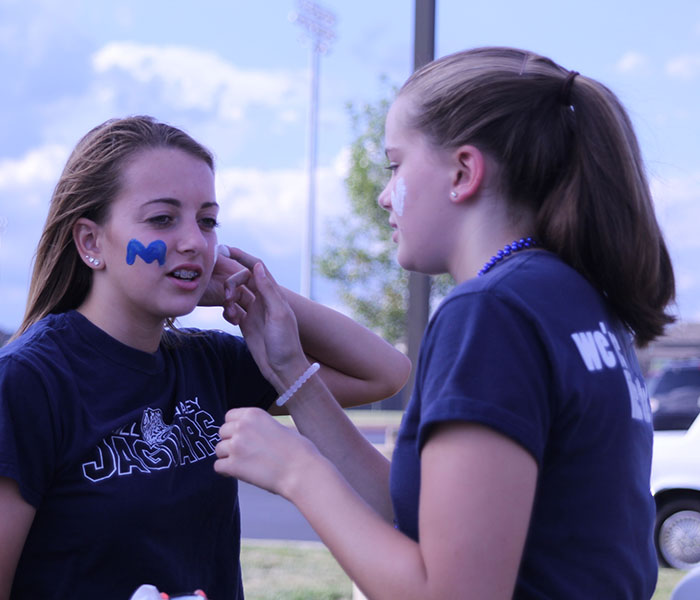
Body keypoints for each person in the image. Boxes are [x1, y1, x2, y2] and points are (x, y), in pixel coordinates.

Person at [212, 46, 676, 599]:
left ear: (463, 172)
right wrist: (292, 372)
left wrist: (297, 473)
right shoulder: (575, 299)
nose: (385, 195)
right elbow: (433, 520)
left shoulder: (493, 311)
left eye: (395, 164)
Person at [0, 115, 410, 599]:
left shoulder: (211, 364)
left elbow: (384, 372)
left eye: (206, 221)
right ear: (91, 241)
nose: (194, 242)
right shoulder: (20, 386)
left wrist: (261, 288)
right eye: (163, 219)